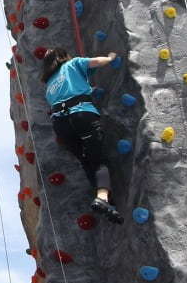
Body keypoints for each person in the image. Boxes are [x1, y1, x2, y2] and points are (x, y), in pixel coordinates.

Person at [40, 48, 124, 223]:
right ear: (63, 56)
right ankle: (102, 197)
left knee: (86, 161)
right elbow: (97, 62)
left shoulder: (49, 86)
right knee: (99, 160)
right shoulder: (73, 63)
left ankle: (107, 201)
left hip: (61, 125)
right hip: (81, 114)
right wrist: (109, 56)